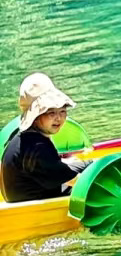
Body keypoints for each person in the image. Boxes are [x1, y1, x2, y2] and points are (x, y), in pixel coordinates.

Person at [1, 73, 86, 204]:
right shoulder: (38, 146)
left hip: (25, 195)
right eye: (51, 113)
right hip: (33, 204)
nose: (59, 118)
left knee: (88, 164)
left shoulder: (22, 136)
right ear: (35, 116)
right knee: (93, 176)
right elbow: (77, 181)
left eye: (62, 111)